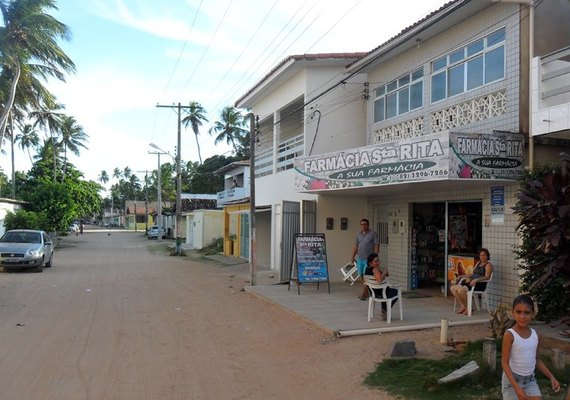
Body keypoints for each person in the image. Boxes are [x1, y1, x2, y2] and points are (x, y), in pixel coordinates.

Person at [501, 294, 561, 400]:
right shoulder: (509, 335)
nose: (522, 316)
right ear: (512, 312)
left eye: (527, 313)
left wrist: (551, 377)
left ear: (533, 314)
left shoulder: (535, 335)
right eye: (518, 312)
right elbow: (505, 363)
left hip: (530, 381)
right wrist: (517, 389)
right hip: (512, 382)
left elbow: (536, 359)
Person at [450, 248, 493, 315]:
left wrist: (476, 280)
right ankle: (463, 306)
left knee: (461, 290)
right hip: (472, 283)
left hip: (480, 284)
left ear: (487, 256)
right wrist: (461, 276)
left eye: (484, 255)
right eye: (481, 255)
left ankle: (469, 308)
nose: (482, 257)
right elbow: (472, 274)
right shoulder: (478, 263)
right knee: (453, 288)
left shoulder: (488, 265)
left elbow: (487, 277)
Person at [360, 253, 398, 319]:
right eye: (375, 261)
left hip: (373, 292)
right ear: (370, 263)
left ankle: (384, 309)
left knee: (388, 292)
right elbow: (379, 280)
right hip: (380, 292)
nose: (378, 262)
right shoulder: (375, 269)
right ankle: (385, 309)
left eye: (378, 260)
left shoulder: (367, 270)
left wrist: (383, 271)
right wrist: (385, 272)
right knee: (395, 291)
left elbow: (387, 275)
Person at [351, 218, 379, 296]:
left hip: (368, 259)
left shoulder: (373, 234)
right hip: (360, 258)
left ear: (368, 225)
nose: (363, 226)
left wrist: (375, 257)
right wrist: (352, 256)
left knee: (366, 275)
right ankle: (366, 292)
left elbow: (377, 245)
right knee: (361, 275)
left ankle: (363, 293)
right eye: (362, 224)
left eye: (365, 224)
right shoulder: (358, 234)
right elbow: (356, 246)